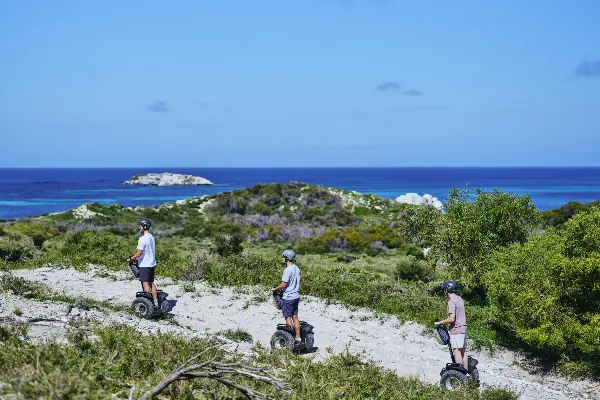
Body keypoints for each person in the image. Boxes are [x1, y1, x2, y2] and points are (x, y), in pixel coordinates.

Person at [435, 280, 469, 371]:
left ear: (446, 290)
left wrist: (440, 322)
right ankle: (466, 372)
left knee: (456, 351)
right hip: (463, 328)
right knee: (463, 351)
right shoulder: (459, 299)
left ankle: (460, 373)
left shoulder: (451, 302)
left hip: (456, 329)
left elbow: (452, 319)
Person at [127, 219, 159, 309]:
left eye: (140, 226)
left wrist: (130, 259)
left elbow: (139, 253)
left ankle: (148, 305)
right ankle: (156, 303)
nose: (139, 227)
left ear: (144, 227)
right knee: (151, 283)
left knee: (145, 284)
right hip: (152, 264)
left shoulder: (142, 239)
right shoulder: (151, 237)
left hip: (145, 265)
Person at [272, 249, 301, 345]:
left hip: (288, 297)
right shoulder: (296, 268)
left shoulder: (287, 270)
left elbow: (284, 285)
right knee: (295, 317)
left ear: (287, 258)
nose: (283, 259)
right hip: (296, 296)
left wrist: (275, 289)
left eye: (283, 257)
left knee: (288, 317)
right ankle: (298, 338)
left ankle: (290, 338)